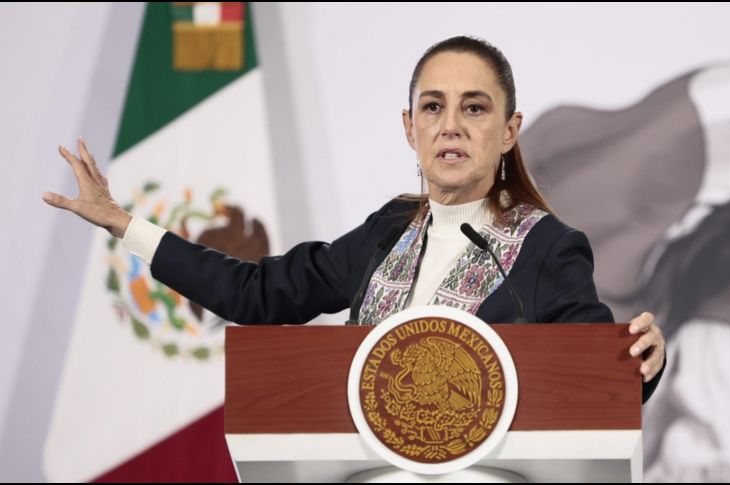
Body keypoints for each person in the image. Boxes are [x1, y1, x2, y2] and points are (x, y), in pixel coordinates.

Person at [42, 36, 665, 401]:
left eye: (474, 108)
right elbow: (254, 294)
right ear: (409, 127)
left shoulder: (546, 248)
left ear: (508, 132)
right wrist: (126, 225)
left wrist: (645, 364)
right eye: (433, 106)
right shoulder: (387, 231)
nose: (450, 125)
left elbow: (598, 382)